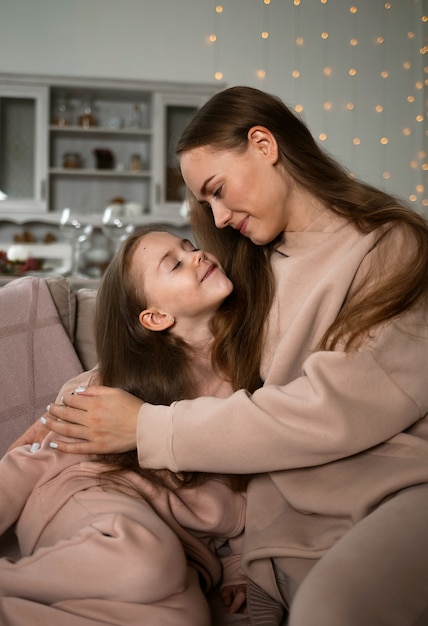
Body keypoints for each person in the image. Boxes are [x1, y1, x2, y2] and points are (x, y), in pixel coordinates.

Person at [23, 86, 428, 625]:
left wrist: (148, 427)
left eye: (216, 190)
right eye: (204, 204)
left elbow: (328, 412)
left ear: (263, 144)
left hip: (392, 491)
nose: (214, 221)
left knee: (332, 610)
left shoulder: (390, 247)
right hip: (276, 525)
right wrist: (89, 398)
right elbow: (180, 350)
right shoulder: (249, 269)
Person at [0, 228, 267, 625]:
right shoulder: (113, 387)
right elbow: (36, 456)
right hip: (88, 498)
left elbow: (256, 484)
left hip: (183, 550)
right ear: (156, 317)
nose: (197, 255)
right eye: (175, 263)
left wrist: (239, 566)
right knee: (145, 558)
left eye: (190, 247)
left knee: (186, 616)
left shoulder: (252, 383)